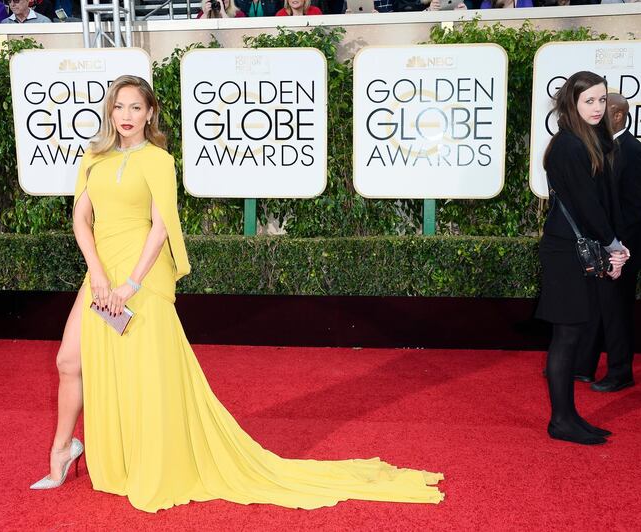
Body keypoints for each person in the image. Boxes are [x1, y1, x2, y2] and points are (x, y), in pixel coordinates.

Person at [31, 75, 443, 512]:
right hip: (100, 271)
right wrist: (97, 274)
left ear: (151, 113)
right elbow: (81, 219)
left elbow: (161, 226)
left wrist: (131, 284)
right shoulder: (92, 157)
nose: (127, 116)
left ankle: (145, 460)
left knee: (143, 372)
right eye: (119, 107)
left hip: (142, 274)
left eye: (136, 107)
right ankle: (65, 449)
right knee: (68, 359)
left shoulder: (158, 161)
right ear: (110, 112)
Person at [535, 71, 630, 446]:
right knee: (567, 334)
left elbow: (601, 198)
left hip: (578, 248)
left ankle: (569, 415)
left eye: (602, 100)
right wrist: (613, 244)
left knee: (573, 333)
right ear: (571, 103)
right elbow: (586, 204)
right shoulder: (568, 146)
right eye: (589, 100)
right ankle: (561, 420)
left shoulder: (586, 140)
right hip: (566, 250)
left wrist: (613, 241)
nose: (597, 107)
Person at [576, 93, 641, 392]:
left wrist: (614, 245)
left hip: (623, 247)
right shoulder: (601, 146)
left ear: (618, 114)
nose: (595, 111)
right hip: (601, 244)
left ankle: (621, 373)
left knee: (617, 313)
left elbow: (636, 207)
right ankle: (583, 366)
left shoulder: (634, 152)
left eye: (602, 107)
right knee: (596, 307)